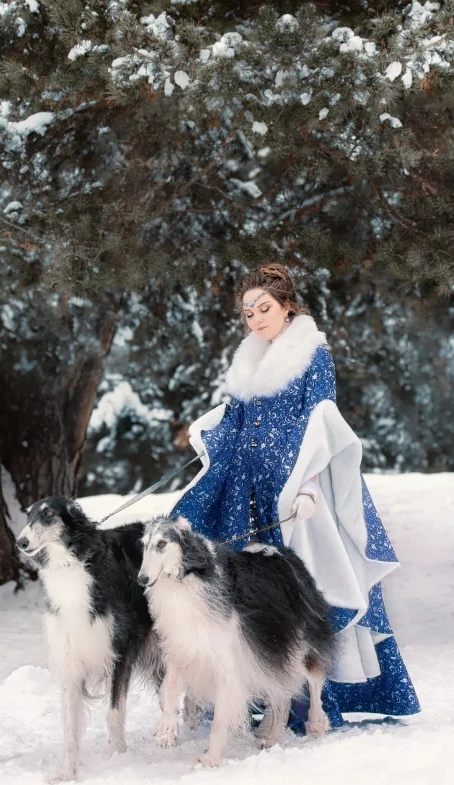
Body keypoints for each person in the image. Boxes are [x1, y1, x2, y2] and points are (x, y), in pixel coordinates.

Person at [170, 263, 420, 730]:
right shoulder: (249, 364)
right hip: (246, 490)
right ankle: (250, 693)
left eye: (264, 308)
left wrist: (306, 484)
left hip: (295, 489)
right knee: (243, 587)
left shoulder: (313, 356)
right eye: (248, 313)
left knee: (304, 589)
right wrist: (214, 439)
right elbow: (239, 423)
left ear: (287, 307)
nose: (256, 319)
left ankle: (311, 698)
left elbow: (321, 420)